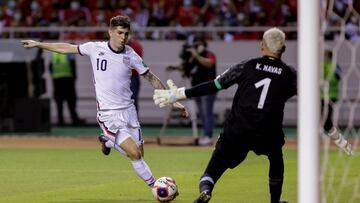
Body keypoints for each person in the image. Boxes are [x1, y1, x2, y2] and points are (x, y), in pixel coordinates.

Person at [22, 15, 188, 192]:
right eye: (119, 32)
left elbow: (150, 77)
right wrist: (39, 44)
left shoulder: (131, 55)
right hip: (108, 113)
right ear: (110, 32)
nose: (123, 37)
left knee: (138, 154)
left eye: (126, 33)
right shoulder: (95, 48)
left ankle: (107, 141)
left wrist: (171, 99)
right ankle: (157, 188)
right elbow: (66, 48)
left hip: (129, 111)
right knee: (135, 154)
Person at [154, 27, 295, 203]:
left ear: (262, 45)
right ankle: (275, 201)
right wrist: (333, 132)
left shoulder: (246, 66)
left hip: (238, 128)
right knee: (276, 159)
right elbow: (313, 100)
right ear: (284, 49)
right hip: (268, 131)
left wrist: (181, 93)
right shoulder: (291, 75)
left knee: (216, 164)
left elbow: (214, 85)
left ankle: (206, 189)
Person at [168, 34, 217, 146]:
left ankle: (208, 136)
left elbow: (209, 63)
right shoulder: (194, 57)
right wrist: (175, 67)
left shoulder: (209, 54)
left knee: (207, 113)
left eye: (198, 44)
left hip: (209, 89)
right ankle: (205, 135)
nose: (196, 47)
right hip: (197, 89)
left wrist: (196, 56)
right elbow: (186, 66)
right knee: (202, 114)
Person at [321, 50, 353, 155]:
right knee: (323, 122)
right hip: (320, 97)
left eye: (325, 56)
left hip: (330, 97)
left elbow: (338, 77)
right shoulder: (320, 66)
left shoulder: (334, 66)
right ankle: (344, 145)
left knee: (326, 123)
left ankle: (344, 145)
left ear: (329, 57)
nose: (323, 57)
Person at [49, 51, 82, 126]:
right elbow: (73, 65)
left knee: (59, 101)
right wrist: (74, 77)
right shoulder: (69, 53)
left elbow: (50, 67)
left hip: (57, 80)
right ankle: (75, 121)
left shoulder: (54, 54)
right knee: (71, 101)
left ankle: (60, 121)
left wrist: (54, 76)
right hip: (68, 80)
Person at [127, 37, 143, 112]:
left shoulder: (136, 46)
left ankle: (134, 121)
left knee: (132, 101)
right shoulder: (118, 45)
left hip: (132, 77)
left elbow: (135, 63)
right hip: (120, 78)